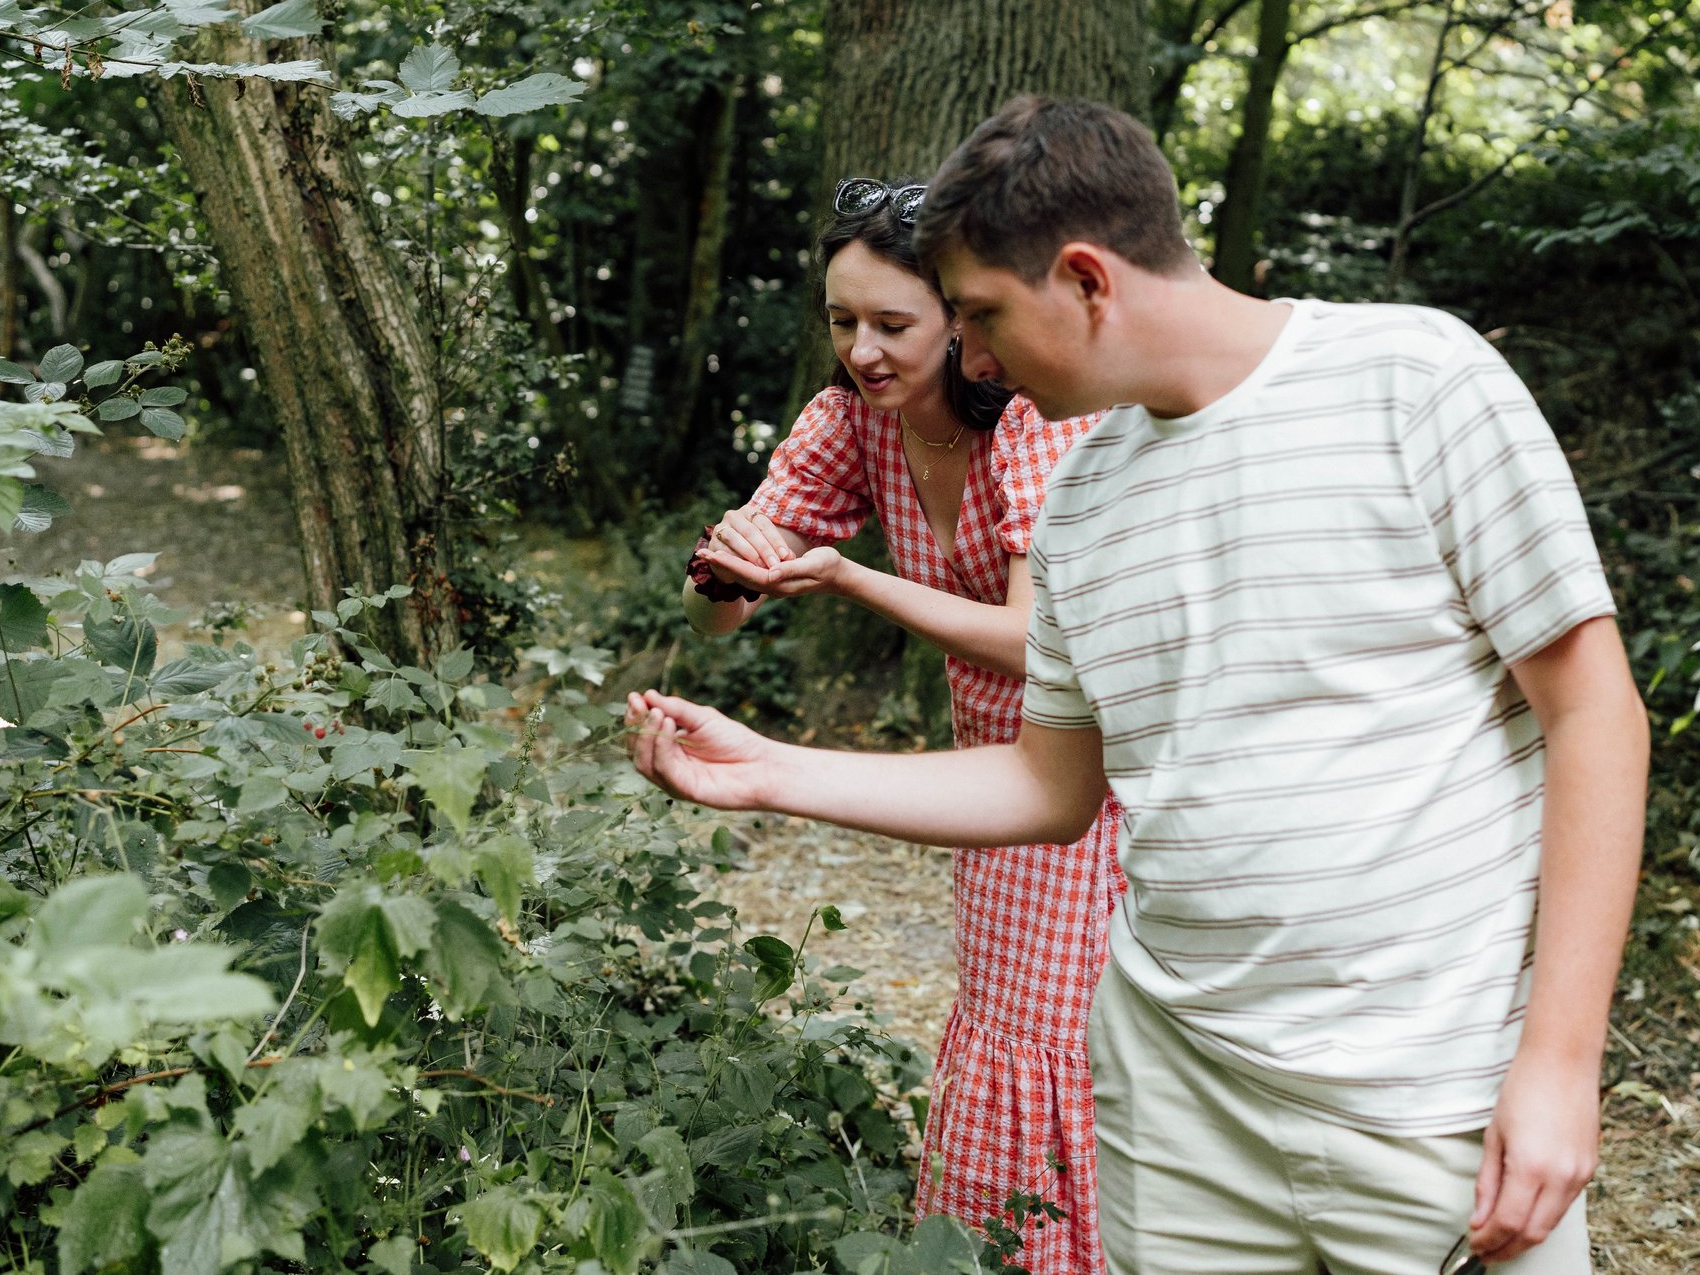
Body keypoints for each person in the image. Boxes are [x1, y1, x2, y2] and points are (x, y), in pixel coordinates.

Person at [634, 98, 1647, 1274]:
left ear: (1084, 279)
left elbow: (1595, 714)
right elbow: (1048, 785)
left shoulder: (1415, 379)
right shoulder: (1084, 498)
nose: (968, 359)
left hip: (1430, 1104)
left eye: (978, 316)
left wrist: (1559, 1064)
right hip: (1174, 1114)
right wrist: (767, 771)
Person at [679, 175, 1119, 1275]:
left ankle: (1055, 1250)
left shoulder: (1028, 421)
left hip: (1101, 755)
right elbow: (716, 621)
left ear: (960, 322)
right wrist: (729, 565)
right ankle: (986, 1245)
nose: (863, 348)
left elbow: (1035, 640)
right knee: (1006, 1011)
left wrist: (850, 581)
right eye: (841, 321)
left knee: (1048, 1030)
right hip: (990, 765)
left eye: (892, 322)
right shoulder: (848, 423)